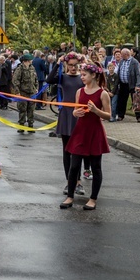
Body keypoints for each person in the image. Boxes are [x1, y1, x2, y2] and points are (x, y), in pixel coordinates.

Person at [60, 62, 111, 210]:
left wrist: (96, 111)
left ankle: (93, 199)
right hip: (80, 131)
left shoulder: (103, 93)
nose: (81, 77)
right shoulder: (79, 92)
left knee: (96, 167)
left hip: (95, 132)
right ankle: (70, 196)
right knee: (74, 165)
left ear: (94, 75)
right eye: (81, 75)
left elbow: (108, 115)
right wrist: (75, 113)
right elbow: (76, 110)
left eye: (84, 75)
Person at [47, 52, 86, 195]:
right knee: (67, 150)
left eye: (75, 65)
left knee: (78, 150)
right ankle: (69, 182)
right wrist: (57, 63)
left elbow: (98, 79)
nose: (73, 68)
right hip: (66, 116)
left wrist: (85, 62)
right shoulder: (62, 77)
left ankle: (78, 181)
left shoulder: (83, 78)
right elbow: (49, 80)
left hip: (79, 115)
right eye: (70, 65)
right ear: (66, 65)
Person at [116, 48, 140, 123]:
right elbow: (119, 71)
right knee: (122, 100)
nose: (120, 56)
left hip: (132, 84)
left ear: (126, 54)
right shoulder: (121, 61)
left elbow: (138, 74)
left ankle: (139, 116)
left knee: (136, 100)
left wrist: (138, 85)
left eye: (122, 54)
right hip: (123, 84)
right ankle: (121, 115)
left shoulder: (134, 62)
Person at [12, 54, 37, 132]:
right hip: (23, 93)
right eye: (30, 60)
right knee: (22, 110)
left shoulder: (32, 68)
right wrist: (17, 92)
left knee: (31, 110)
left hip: (32, 92)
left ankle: (30, 125)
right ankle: (22, 126)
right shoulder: (20, 69)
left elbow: (35, 79)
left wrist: (36, 88)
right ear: (25, 61)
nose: (31, 61)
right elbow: (15, 81)